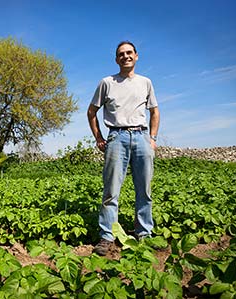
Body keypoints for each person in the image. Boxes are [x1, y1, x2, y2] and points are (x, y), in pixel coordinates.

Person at [87, 41, 160, 256]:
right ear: (116, 59)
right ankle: (106, 236)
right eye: (121, 54)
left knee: (144, 189)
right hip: (116, 137)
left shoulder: (145, 82)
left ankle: (144, 234)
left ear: (136, 56)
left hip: (141, 137)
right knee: (111, 191)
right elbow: (91, 112)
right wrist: (99, 137)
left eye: (129, 53)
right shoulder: (107, 83)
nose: (125, 56)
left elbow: (155, 112)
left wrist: (152, 138)